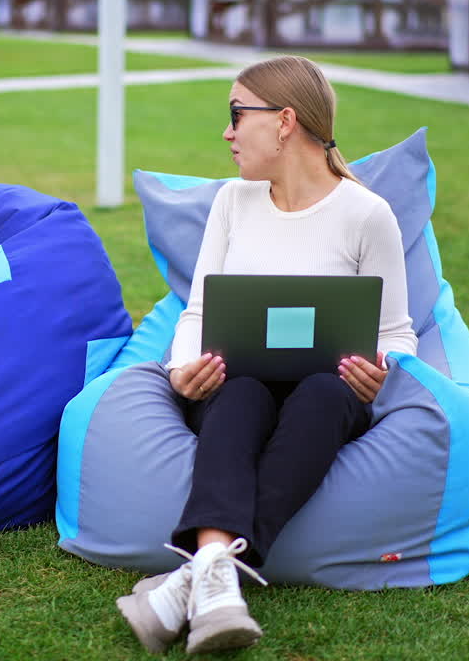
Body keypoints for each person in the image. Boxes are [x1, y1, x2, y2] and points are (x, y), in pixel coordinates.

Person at [117, 56, 418, 654]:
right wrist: (183, 369)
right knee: (243, 388)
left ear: (284, 122)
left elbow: (397, 332)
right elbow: (198, 310)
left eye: (236, 114)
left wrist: (378, 371)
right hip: (234, 388)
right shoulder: (234, 201)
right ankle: (216, 585)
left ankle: (195, 578)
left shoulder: (366, 213)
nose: (227, 132)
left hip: (328, 396)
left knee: (324, 390)